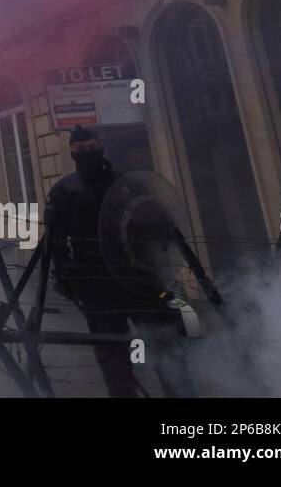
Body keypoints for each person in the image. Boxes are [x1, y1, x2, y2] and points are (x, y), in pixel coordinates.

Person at [46, 125, 193, 397]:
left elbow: (153, 224)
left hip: (137, 279)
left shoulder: (126, 184)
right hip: (96, 286)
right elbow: (55, 240)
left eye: (90, 148)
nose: (86, 153)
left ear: (100, 147)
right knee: (113, 358)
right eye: (80, 150)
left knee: (167, 343)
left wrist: (159, 267)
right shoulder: (64, 192)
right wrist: (64, 274)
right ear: (72, 153)